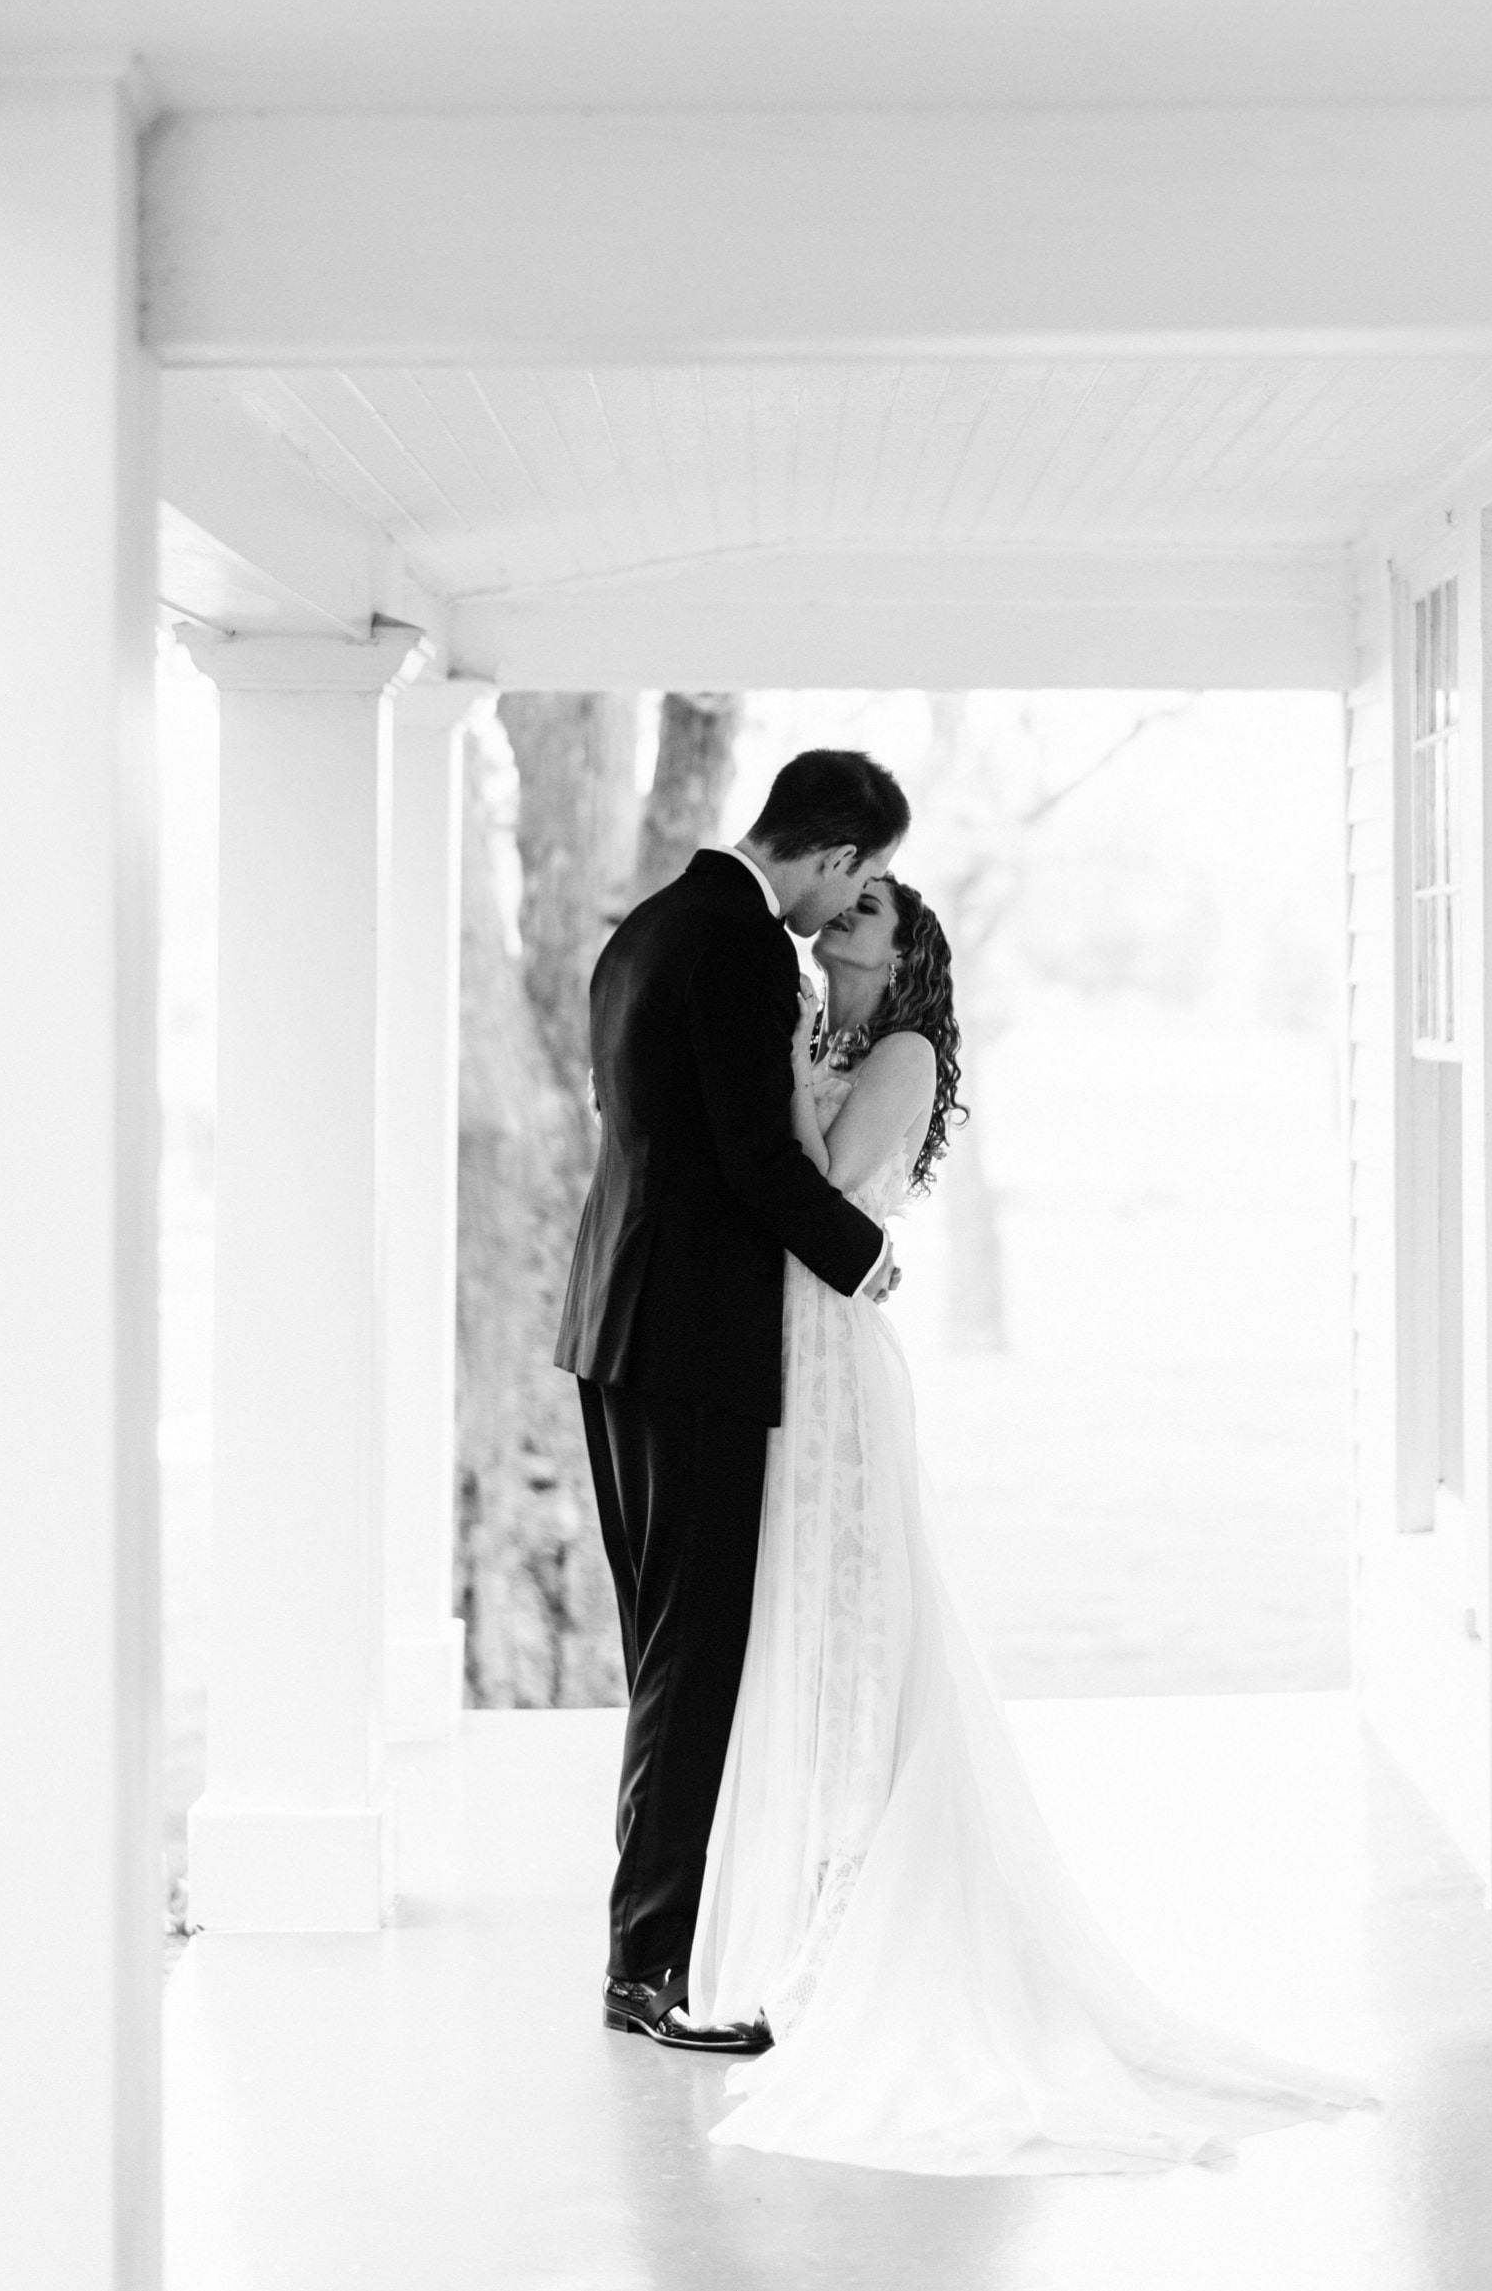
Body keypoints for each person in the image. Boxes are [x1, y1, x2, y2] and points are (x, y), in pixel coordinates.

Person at [685, 872, 1377, 2172]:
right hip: (788, 1346)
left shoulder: (899, 1051)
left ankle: (861, 1929)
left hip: (834, 1355)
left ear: (910, 956)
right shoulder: (835, 1034)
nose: (842, 919)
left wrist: (782, 1067)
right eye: (844, 904)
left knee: (856, 1627)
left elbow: (822, 1185)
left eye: (872, 914)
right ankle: (810, 1930)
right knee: (807, 1632)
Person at [554, 747, 909, 2052]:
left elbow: (646, 1128)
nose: (849, 899)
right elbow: (755, 1159)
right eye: (859, 875)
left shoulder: (643, 929)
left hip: (611, 1329)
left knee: (668, 1654)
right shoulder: (749, 949)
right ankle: (649, 1974)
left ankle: (649, 1951)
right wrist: (870, 1259)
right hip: (694, 1342)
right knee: (691, 1662)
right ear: (828, 855)